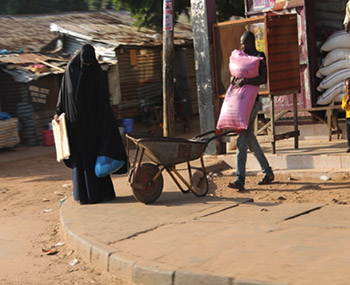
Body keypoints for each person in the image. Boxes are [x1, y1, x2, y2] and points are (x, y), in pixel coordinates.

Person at [54, 44, 128, 204]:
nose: (87, 66)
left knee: (94, 157)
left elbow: (103, 100)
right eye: (84, 63)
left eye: (89, 63)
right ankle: (83, 195)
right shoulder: (70, 71)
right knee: (80, 160)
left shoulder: (97, 73)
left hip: (94, 125)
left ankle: (100, 194)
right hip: (75, 126)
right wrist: (58, 111)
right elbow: (62, 94)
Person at [228, 31, 274, 192]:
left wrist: (246, 80)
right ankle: (268, 172)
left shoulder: (259, 56)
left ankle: (239, 179)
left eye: (244, 43)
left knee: (241, 141)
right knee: (250, 140)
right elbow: (235, 74)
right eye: (241, 43)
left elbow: (263, 79)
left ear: (251, 42)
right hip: (241, 103)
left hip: (252, 103)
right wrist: (234, 79)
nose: (242, 46)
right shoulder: (242, 57)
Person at [341, 77, 350, 153]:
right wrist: (348, 100)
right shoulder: (345, 97)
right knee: (349, 133)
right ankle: (349, 146)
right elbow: (344, 107)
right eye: (348, 88)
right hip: (348, 117)